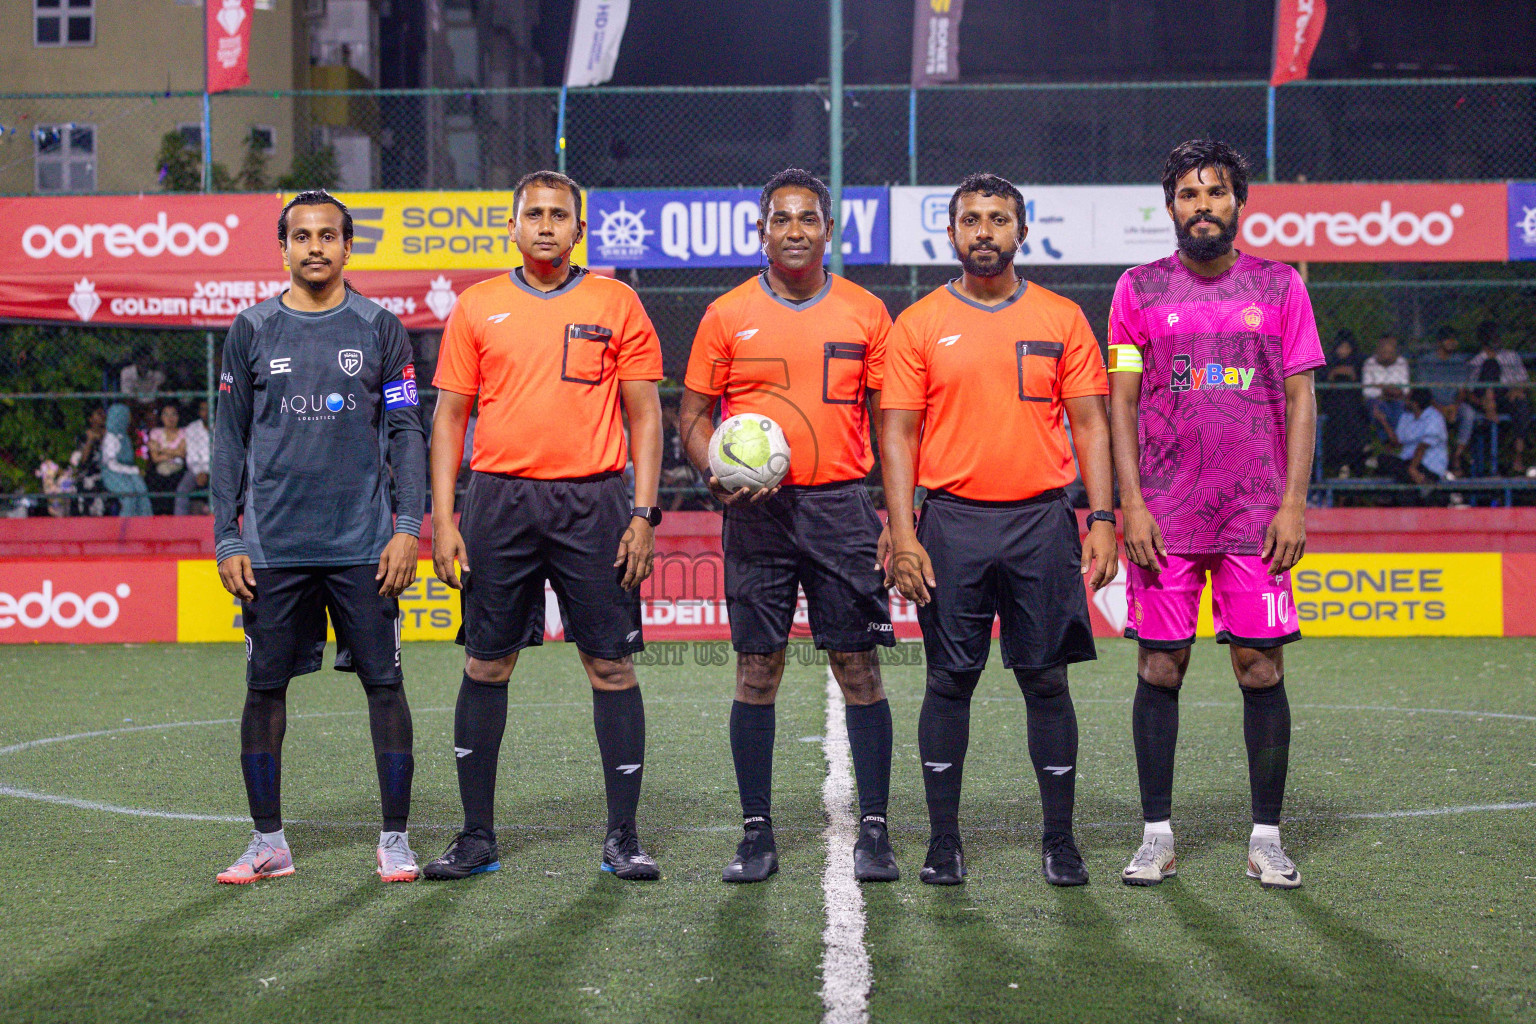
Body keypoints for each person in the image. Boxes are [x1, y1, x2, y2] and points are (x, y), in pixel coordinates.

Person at [426, 170, 665, 882]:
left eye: (560, 214)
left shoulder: (617, 302)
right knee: (487, 662)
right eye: (533, 213)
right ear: (513, 226)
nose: (546, 225)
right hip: (499, 502)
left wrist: (644, 514)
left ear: (579, 229)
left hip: (595, 503)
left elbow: (645, 414)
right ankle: (475, 837)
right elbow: (448, 419)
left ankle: (623, 835)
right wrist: (444, 518)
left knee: (611, 664)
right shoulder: (477, 306)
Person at [882, 172, 1117, 888]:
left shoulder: (1062, 318)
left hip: (1042, 521)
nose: (984, 231)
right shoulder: (918, 323)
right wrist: (903, 532)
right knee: (949, 681)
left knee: (1046, 681)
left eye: (998, 219)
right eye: (971, 220)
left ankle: (1059, 840)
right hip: (950, 522)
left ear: (1022, 229)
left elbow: (1090, 425)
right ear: (950, 233)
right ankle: (944, 842)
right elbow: (896, 433)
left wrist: (1101, 518)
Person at [1108, 140, 1323, 890]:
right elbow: (1123, 404)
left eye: (1217, 193)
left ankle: (1266, 837)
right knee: (1159, 665)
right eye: (1189, 195)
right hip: (1163, 518)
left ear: (1239, 203)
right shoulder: (1137, 289)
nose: (1204, 206)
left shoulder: (1280, 285)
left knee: (1259, 667)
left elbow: (1301, 399)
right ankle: (1155, 836)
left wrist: (1293, 503)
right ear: (1170, 206)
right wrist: (1129, 503)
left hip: (1256, 519)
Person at [679, 168, 900, 884]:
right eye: (782, 219)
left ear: (828, 231)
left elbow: (893, 422)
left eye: (809, 219)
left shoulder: (867, 313)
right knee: (756, 669)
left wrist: (897, 517)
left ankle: (874, 830)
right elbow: (691, 418)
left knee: (859, 669)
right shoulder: (724, 315)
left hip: (841, 508)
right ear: (763, 231)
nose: (796, 230)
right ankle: (756, 833)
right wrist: (714, 471)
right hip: (758, 515)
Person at [211, 190, 426, 885]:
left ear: (347, 245)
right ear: (282, 249)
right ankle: (268, 842)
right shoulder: (250, 329)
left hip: (364, 546)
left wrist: (407, 528)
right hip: (273, 550)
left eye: (327, 235)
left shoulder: (380, 327)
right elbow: (228, 439)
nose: (314, 247)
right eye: (300, 236)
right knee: (264, 688)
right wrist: (227, 536)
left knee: (385, 685)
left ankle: (395, 841)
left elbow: (406, 432)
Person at [1468, 320, 1531, 474]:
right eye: (1491, 336)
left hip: (1506, 396)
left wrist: (1516, 390)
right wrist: (1484, 402)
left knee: (1521, 403)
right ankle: (1490, 407)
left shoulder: (1511, 356)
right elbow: (1469, 390)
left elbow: (1524, 381)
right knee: (1490, 365)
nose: (1496, 338)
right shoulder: (1476, 360)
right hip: (1483, 399)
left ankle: (1518, 456)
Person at [1416, 326, 1475, 475]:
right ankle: (1433, 462)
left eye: (1454, 339)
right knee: (1430, 418)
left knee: (1469, 414)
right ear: (1439, 342)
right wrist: (1439, 409)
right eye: (1448, 339)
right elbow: (1423, 392)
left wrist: (1454, 407)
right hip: (1431, 405)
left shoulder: (1459, 361)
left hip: (1453, 405)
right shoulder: (1426, 361)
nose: (1452, 342)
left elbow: (1462, 390)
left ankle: (1457, 456)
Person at [1378, 388, 1449, 500]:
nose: (1404, 401)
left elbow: (1422, 446)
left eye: (1408, 399)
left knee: (1405, 487)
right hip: (1408, 465)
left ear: (1415, 403)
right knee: (1383, 459)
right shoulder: (1406, 417)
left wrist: (1413, 469)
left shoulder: (1435, 418)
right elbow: (1397, 442)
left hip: (1428, 467)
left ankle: (1421, 487)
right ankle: (1422, 486)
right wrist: (1384, 422)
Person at [1317, 330, 1368, 477]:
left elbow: (1364, 388)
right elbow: (1322, 388)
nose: (1343, 351)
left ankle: (1354, 461)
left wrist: (1352, 375)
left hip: (1354, 405)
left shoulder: (1359, 362)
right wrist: (1333, 374)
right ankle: (1339, 463)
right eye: (1340, 347)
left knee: (1350, 414)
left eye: (1347, 347)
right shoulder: (1328, 362)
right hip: (1333, 405)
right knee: (1339, 416)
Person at [100, 402, 152, 517]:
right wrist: (133, 470)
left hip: (127, 471)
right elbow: (111, 465)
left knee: (141, 488)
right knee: (129, 493)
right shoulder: (111, 438)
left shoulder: (124, 436)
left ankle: (144, 522)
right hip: (113, 474)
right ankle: (126, 526)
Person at [1361, 332, 1409, 440]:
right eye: (1384, 351)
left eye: (1390, 351)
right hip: (1377, 400)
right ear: (1379, 350)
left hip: (1397, 399)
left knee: (1400, 407)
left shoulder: (1402, 363)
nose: (1387, 354)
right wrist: (1387, 390)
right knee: (1381, 409)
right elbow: (1367, 391)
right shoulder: (1370, 363)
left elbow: (1405, 389)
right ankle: (1389, 440)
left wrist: (1382, 387)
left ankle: (1393, 439)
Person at [147, 401, 187, 513]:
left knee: (175, 481)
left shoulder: (184, 432)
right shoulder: (155, 432)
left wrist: (160, 449)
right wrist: (174, 452)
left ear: (178, 416)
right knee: (155, 481)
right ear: (161, 417)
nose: (170, 418)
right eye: (166, 414)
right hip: (160, 468)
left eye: (173, 414)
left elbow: (182, 454)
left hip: (178, 468)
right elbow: (155, 458)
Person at [175, 399, 212, 515]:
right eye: (203, 410)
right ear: (199, 412)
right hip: (196, 470)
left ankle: (220, 523)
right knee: (181, 491)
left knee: (223, 489)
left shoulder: (223, 427)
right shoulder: (192, 428)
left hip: (217, 470)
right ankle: (180, 526)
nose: (206, 412)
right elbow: (191, 455)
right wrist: (200, 471)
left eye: (208, 409)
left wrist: (208, 471)